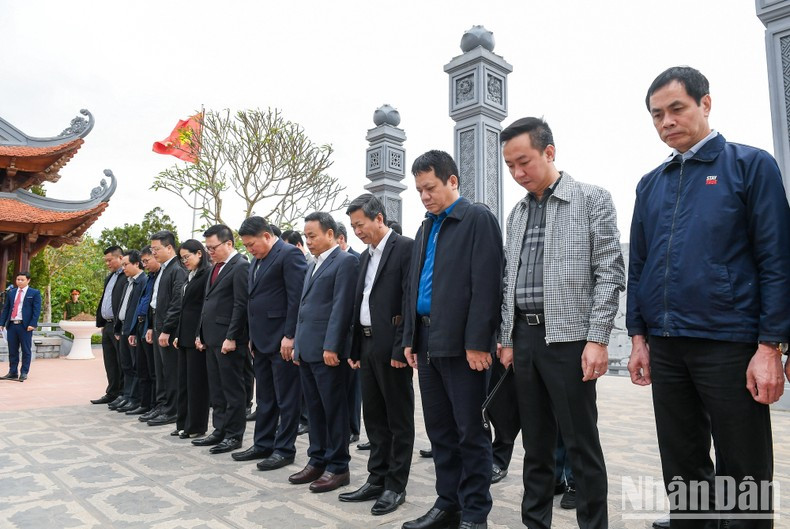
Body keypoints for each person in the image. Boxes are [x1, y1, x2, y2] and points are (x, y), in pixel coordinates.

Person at [627, 66, 790, 527]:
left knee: (743, 469)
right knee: (682, 459)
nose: (666, 122)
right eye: (657, 115)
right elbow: (639, 265)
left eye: (676, 109)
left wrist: (770, 345)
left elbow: (777, 259)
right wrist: (638, 336)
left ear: (705, 104)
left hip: (731, 342)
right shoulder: (650, 184)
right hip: (667, 343)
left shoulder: (749, 166)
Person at [498, 117, 624, 529]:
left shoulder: (591, 199)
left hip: (571, 341)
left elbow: (609, 270)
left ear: (549, 152)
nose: (517, 174)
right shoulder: (515, 214)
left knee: (581, 446)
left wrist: (598, 338)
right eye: (510, 166)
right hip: (526, 339)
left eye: (524, 162)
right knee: (535, 448)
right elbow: (508, 281)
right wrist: (508, 338)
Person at [401, 150, 504, 529]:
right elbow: (414, 285)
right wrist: (409, 337)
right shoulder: (426, 226)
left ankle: (475, 513)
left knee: (470, 431)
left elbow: (488, 284)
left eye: (430, 188)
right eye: (419, 190)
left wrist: (479, 340)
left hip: (464, 345)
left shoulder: (477, 219)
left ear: (452, 181)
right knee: (440, 430)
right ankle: (448, 503)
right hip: (427, 341)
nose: (425, 196)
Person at [338, 194, 415, 516]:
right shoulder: (365, 257)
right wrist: (355, 347)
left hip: (392, 348)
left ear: (379, 218)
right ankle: (376, 477)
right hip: (367, 346)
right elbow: (360, 303)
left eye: (361, 224)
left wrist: (402, 346)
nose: (357, 231)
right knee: (374, 417)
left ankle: (395, 485)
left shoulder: (406, 248)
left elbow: (409, 300)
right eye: (353, 226)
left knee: (398, 419)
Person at [289, 212, 358, 493]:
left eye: (313, 235)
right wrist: (297, 344)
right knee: (314, 410)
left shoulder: (345, 261)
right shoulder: (312, 264)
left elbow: (341, 308)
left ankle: (338, 466)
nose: (309, 241)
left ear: (331, 234)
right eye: (306, 236)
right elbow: (303, 308)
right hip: (307, 349)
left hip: (327, 351)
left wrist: (332, 345)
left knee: (334, 411)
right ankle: (317, 460)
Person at [235, 216, 307, 470]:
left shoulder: (289, 255)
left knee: (287, 399)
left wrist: (290, 335)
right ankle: (262, 443)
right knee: (265, 397)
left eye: (251, 243)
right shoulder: (256, 261)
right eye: (245, 245)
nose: (249, 249)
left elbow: (296, 299)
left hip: (282, 341)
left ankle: (284, 449)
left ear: (266, 235)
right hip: (261, 341)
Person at [192, 224, 250, 454]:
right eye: (207, 248)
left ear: (228, 243)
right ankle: (219, 430)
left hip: (228, 340)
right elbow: (207, 304)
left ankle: (234, 435)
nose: (210, 252)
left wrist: (232, 336)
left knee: (232, 389)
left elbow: (240, 304)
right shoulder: (216, 267)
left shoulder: (240, 267)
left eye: (213, 247)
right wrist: (200, 333)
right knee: (216, 388)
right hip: (212, 338)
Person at [146, 231, 187, 427]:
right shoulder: (163, 269)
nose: (153, 253)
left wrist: (167, 329)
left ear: (169, 248)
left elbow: (177, 303)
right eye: (152, 249)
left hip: (168, 328)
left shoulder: (177, 269)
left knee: (171, 371)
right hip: (157, 323)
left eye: (156, 249)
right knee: (160, 370)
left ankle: (172, 410)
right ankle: (162, 405)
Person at [173, 239, 211, 439]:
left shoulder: (207, 275)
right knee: (184, 382)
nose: (184, 261)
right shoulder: (190, 275)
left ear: (199, 253)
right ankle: (183, 422)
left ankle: (196, 425)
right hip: (184, 336)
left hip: (197, 337)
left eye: (187, 257)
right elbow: (184, 308)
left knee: (197, 384)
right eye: (182, 258)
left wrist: (199, 334)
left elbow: (203, 309)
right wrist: (178, 333)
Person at [336, 221, 363, 444]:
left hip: (353, 336)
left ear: (340, 239)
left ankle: (354, 428)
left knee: (354, 388)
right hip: (338, 337)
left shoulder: (357, 258)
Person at [91, 246, 126, 405]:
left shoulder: (126, 276)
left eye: (110, 260)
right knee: (110, 362)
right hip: (108, 325)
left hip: (120, 326)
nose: (107, 264)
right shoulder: (110, 277)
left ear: (120, 258)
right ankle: (112, 392)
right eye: (106, 261)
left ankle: (123, 394)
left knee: (122, 361)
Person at [113, 250, 148, 412]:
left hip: (134, 330)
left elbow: (138, 309)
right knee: (126, 365)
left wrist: (133, 330)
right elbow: (123, 306)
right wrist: (118, 328)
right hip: (124, 327)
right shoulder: (128, 281)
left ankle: (135, 398)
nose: (123, 268)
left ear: (137, 263)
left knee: (135, 366)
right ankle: (127, 395)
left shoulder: (143, 281)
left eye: (126, 264)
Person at [128, 246, 160, 417]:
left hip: (151, 327)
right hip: (141, 326)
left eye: (147, 261)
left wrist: (149, 327)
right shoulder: (150, 278)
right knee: (141, 368)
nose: (145, 265)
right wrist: (134, 330)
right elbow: (141, 305)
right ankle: (144, 403)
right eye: (143, 261)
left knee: (152, 370)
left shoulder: (160, 277)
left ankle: (154, 404)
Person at [0, 271, 41, 382]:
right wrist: (2, 323)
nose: (19, 281)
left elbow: (36, 310)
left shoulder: (34, 293)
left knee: (26, 350)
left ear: (28, 280)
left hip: (25, 326)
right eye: (18, 279)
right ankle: (13, 372)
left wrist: (33, 324)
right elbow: (6, 309)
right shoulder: (12, 293)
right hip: (12, 325)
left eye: (22, 280)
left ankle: (24, 372)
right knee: (12, 350)